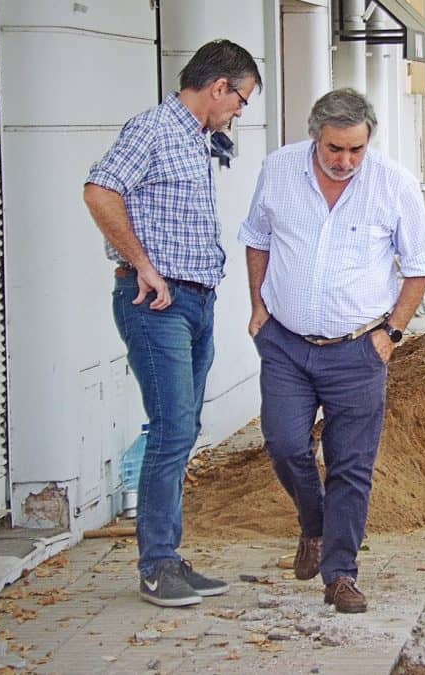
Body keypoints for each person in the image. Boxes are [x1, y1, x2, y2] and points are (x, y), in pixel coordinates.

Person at [238, 88, 425, 614]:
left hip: (358, 351)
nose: (345, 161)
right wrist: (257, 306)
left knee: (351, 465)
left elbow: (420, 265)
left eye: (356, 149)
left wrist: (392, 332)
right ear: (315, 137)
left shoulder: (392, 184)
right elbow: (257, 238)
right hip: (285, 343)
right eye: (334, 149)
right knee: (285, 444)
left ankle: (341, 574)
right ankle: (314, 524)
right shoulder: (279, 171)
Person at [83, 40, 261, 607]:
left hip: (195, 304)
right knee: (173, 431)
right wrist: (143, 265)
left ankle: (169, 558)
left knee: (180, 432)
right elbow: (98, 190)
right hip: (157, 305)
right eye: (241, 100)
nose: (239, 111)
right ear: (218, 87)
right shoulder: (155, 129)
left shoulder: (195, 140)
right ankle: (157, 567)